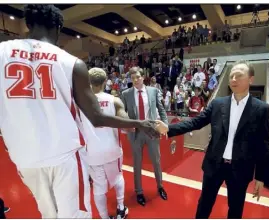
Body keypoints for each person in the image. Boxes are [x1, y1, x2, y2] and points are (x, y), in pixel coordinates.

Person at [0, 4, 158, 218]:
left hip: (25, 157)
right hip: (65, 156)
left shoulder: (2, 51)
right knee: (76, 214)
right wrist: (139, 123)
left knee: (48, 213)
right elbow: (97, 117)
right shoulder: (72, 63)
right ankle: (120, 209)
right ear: (57, 28)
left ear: (28, 23)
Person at [156, 60, 269, 219]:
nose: (233, 79)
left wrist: (260, 177)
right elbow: (196, 122)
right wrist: (169, 128)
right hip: (214, 164)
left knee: (235, 210)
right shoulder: (218, 104)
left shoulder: (261, 109)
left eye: (239, 76)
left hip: (241, 168)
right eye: (231, 76)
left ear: (251, 79)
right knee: (204, 204)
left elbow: (263, 145)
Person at [81, 67, 129, 219]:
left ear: (88, 82)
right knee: (118, 178)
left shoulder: (80, 102)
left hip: (92, 153)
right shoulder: (114, 100)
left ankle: (104, 217)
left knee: (99, 188)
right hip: (112, 149)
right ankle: (121, 209)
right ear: (104, 82)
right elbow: (126, 124)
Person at [121, 67, 168, 206]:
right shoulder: (126, 93)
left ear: (143, 77)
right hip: (135, 133)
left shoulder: (153, 91)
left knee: (156, 161)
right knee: (137, 163)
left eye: (137, 77)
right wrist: (126, 125)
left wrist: (165, 125)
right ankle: (139, 191)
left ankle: (160, 186)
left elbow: (161, 109)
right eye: (132, 78)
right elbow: (121, 112)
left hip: (152, 130)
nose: (135, 80)